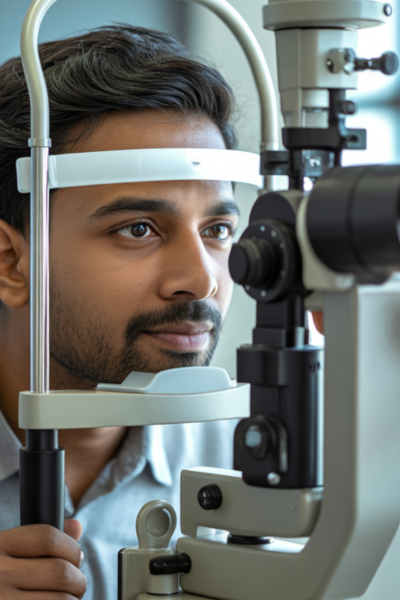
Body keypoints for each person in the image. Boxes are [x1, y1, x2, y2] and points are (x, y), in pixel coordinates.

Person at [0, 25, 242, 599]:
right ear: (11, 262)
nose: (201, 280)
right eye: (138, 229)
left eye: (217, 230)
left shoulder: (246, 458)